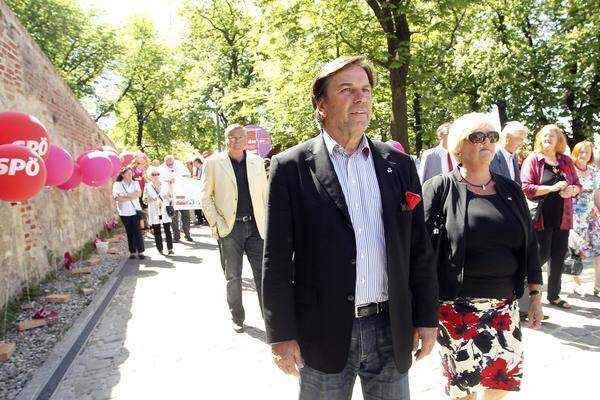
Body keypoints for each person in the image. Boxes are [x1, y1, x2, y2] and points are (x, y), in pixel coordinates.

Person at [262, 56, 437, 400]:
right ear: (321, 103)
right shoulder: (291, 167)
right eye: (347, 90)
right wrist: (281, 334)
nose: (361, 98)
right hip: (323, 331)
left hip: (391, 327)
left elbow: (419, 249)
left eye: (366, 90)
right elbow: (277, 261)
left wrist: (426, 318)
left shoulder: (398, 165)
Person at [422, 112, 543, 400]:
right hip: (457, 309)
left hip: (504, 306)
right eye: (477, 136)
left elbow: (530, 245)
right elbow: (420, 251)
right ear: (458, 147)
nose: (486, 141)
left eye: (492, 136)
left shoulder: (510, 190)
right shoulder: (439, 189)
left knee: (502, 381)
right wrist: (419, 309)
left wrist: (536, 295)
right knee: (464, 388)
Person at [200, 124, 268, 333]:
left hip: (257, 228)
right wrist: (217, 224)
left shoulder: (257, 162)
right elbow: (205, 197)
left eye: (240, 137)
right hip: (230, 229)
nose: (236, 141)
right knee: (233, 277)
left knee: (263, 275)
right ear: (225, 138)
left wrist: (268, 222)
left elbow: (265, 196)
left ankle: (271, 319)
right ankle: (237, 317)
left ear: (247, 139)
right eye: (231, 137)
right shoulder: (213, 163)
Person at [521, 124, 582, 309]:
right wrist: (552, 188)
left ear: (558, 141)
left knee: (558, 256)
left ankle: (554, 295)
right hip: (541, 217)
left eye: (551, 136)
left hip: (563, 217)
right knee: (542, 254)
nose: (547, 138)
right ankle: (521, 287)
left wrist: (572, 190)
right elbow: (526, 187)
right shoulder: (534, 159)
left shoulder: (565, 160)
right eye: (545, 136)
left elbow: (578, 185)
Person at [490, 121, 529, 318]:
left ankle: (522, 304)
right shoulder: (494, 155)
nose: (522, 142)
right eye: (519, 138)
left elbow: (517, 184)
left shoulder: (513, 157)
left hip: (513, 211)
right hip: (499, 213)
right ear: (507, 137)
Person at [569, 141, 600, 296]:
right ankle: (577, 283)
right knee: (577, 251)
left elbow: (597, 194)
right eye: (580, 152)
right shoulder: (571, 170)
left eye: (587, 152)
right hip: (575, 217)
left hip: (592, 217)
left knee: (598, 250)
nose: (583, 155)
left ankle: (598, 286)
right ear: (575, 153)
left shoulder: (594, 171)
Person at [113, 167, 146, 259]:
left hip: (135, 210)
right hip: (124, 212)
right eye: (127, 173)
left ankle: (141, 252)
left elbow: (139, 194)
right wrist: (132, 196)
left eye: (131, 173)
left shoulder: (135, 183)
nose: (130, 175)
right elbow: (117, 197)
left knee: (137, 231)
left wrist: (125, 195)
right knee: (129, 232)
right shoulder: (117, 184)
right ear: (122, 175)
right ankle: (132, 252)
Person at [159, 155, 193, 242]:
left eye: (172, 164)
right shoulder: (161, 168)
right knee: (173, 216)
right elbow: (159, 181)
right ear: (165, 162)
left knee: (186, 215)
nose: (170, 165)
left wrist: (178, 179)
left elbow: (188, 175)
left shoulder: (179, 164)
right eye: (168, 164)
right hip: (170, 196)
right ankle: (176, 236)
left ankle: (187, 234)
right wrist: (169, 181)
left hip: (182, 194)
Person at [143, 166, 174, 255]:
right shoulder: (147, 186)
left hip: (164, 209)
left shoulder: (164, 184)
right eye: (153, 174)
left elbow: (171, 197)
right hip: (154, 210)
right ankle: (160, 248)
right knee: (157, 230)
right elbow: (144, 200)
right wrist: (151, 199)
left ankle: (170, 248)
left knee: (168, 229)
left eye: (157, 174)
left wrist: (168, 198)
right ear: (150, 176)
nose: (156, 176)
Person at [193, 157, 207, 225]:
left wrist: (198, 179)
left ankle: (206, 218)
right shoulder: (197, 169)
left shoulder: (204, 168)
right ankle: (199, 219)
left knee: (205, 203)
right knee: (197, 203)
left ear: (198, 162)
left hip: (204, 188)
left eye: (194, 163)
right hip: (197, 188)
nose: (194, 164)